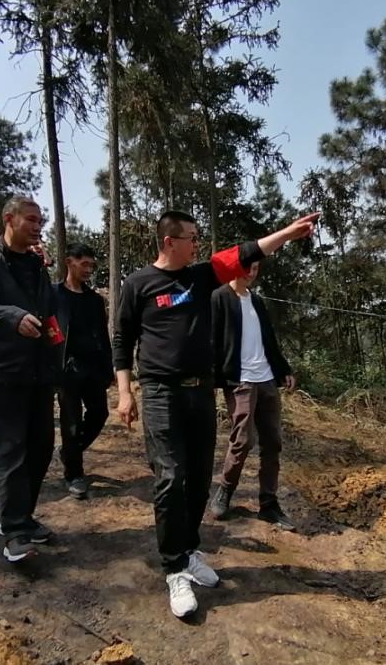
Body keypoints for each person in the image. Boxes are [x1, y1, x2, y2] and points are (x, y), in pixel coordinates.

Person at [112, 209, 319, 619]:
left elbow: (248, 251)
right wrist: (124, 392)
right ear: (170, 241)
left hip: (201, 391)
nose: (197, 243)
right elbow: (122, 340)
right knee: (170, 478)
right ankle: (174, 569)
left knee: (198, 478)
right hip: (161, 393)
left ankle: (189, 550)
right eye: (191, 237)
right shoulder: (138, 284)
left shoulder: (202, 277)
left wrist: (289, 233)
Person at [0, 197, 65, 563]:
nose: (38, 226)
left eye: (40, 221)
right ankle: (14, 531)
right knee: (10, 452)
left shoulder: (36, 263)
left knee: (40, 448)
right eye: (31, 220)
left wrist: (57, 351)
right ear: (9, 219)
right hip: (4, 371)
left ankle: (23, 516)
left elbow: (47, 310)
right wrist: (14, 317)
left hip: (38, 371)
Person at [208, 261, 297, 531]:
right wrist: (210, 378)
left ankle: (269, 504)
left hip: (266, 378)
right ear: (235, 267)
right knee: (243, 440)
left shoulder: (257, 301)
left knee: (273, 442)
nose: (251, 273)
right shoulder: (220, 297)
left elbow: (269, 339)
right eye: (247, 267)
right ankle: (225, 490)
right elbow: (212, 340)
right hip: (240, 380)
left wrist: (284, 369)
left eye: (256, 269)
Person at [53, 243, 113, 500]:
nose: (89, 270)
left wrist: (108, 368)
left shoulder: (95, 300)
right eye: (84, 264)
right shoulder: (54, 295)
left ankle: (69, 452)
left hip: (93, 367)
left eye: (91, 265)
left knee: (99, 413)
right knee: (71, 422)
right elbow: (49, 329)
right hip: (67, 368)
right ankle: (74, 473)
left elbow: (103, 336)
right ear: (69, 262)